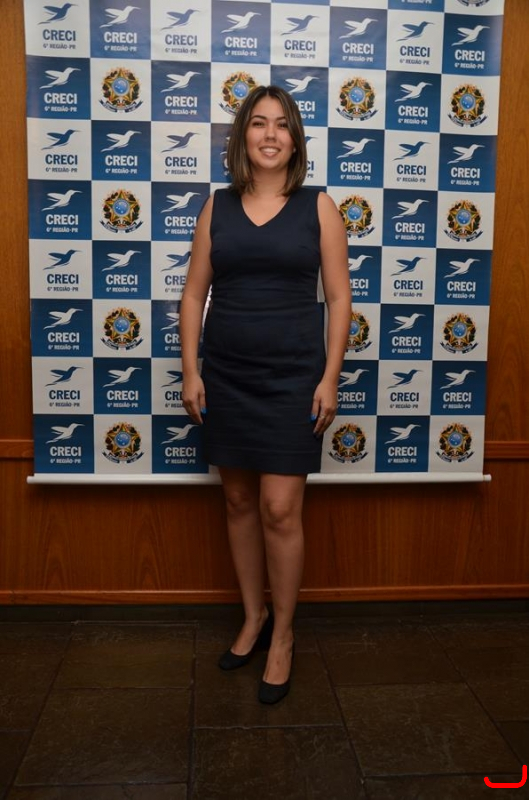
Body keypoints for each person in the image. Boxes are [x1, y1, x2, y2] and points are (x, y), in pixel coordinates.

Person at [180, 85, 351, 704]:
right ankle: (252, 619)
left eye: (282, 124)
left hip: (292, 379)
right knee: (237, 501)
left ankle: (283, 636)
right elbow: (193, 293)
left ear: (295, 140)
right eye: (258, 123)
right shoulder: (216, 206)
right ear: (243, 136)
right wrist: (191, 370)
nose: (270, 134)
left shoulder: (319, 207)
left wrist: (329, 377)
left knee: (280, 509)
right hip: (227, 374)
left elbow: (340, 299)